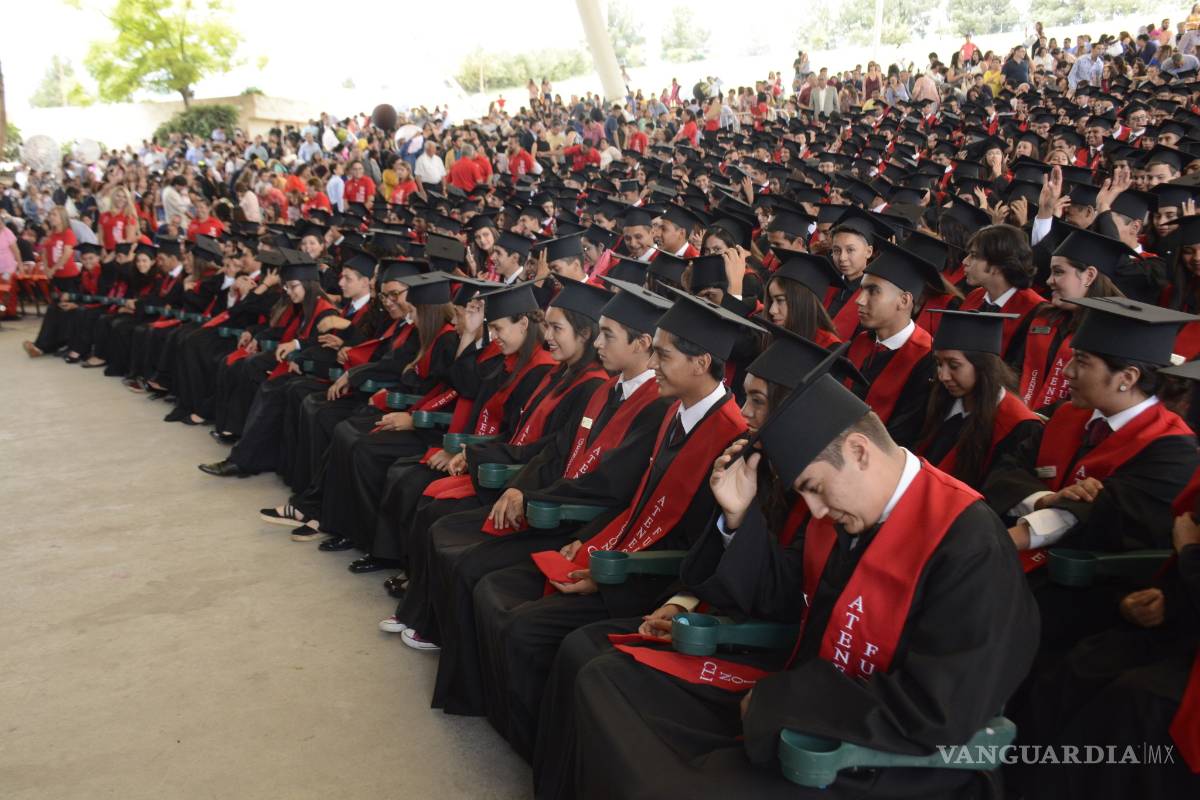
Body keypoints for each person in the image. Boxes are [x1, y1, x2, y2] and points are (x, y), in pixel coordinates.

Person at [539, 354, 1039, 799]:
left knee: (664, 784)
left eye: (816, 488)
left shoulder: (968, 543)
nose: (815, 512)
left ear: (860, 451)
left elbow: (939, 708)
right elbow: (781, 597)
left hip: (876, 759)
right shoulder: (850, 513)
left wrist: (784, 701)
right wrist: (739, 517)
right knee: (609, 681)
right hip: (806, 704)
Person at [472, 289, 762, 759]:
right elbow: (636, 500)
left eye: (663, 355)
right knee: (496, 589)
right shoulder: (676, 412)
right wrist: (587, 540)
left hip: (655, 580)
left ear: (701, 362)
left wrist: (613, 572)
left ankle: (536, 752)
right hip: (623, 557)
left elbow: (699, 546)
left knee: (528, 629)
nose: (653, 363)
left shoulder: (730, 438)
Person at [987, 297, 1200, 651]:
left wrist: (1013, 538)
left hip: (1094, 587)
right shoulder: (1067, 414)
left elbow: (1103, 513)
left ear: (1127, 378)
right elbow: (1006, 471)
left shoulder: (1172, 448)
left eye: (1082, 361)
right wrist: (1046, 498)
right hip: (1031, 564)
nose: (1067, 372)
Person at [917, 309, 1044, 495]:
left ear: (983, 366)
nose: (943, 376)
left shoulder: (1018, 426)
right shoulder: (938, 398)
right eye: (939, 364)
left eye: (954, 366)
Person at [1016, 228, 1129, 411]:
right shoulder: (1043, 317)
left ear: (1089, 276)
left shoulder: (1115, 330)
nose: (1049, 281)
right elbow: (1018, 368)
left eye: (1058, 272)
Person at [844, 240, 940, 448]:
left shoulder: (928, 358)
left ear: (904, 301)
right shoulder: (860, 342)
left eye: (873, 291)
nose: (859, 300)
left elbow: (906, 435)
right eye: (861, 290)